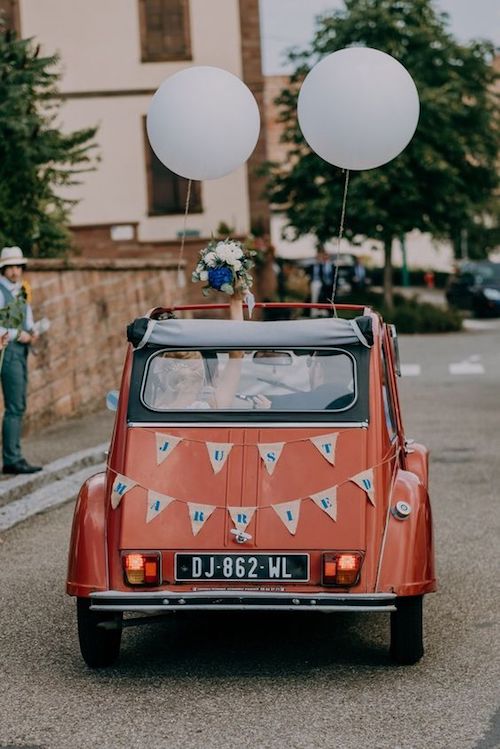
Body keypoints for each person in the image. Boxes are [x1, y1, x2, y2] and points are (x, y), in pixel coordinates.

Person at [0, 246, 42, 474]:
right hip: (6, 350)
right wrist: (18, 334)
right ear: (4, 269)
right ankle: (12, 459)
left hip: (19, 351)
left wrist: (33, 330)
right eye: (11, 267)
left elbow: (27, 318)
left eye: (18, 267)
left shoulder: (23, 291)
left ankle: (13, 456)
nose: (15, 271)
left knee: (17, 405)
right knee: (15, 407)